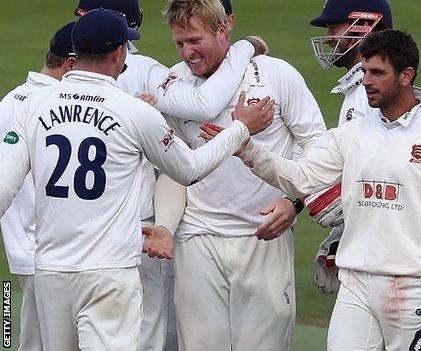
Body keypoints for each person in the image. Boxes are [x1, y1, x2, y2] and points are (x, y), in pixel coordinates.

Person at [0, 9, 273, 350]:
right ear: (118, 53)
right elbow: (188, 169)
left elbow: (3, 188)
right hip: (110, 272)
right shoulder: (134, 111)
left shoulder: (33, 106)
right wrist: (240, 129)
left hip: (51, 271)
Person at [220, 28, 421, 350]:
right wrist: (247, 148)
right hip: (355, 283)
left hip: (416, 285)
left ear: (406, 75)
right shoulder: (352, 133)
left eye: (377, 73)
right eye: (364, 71)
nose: (366, 81)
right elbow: (301, 177)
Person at [152, 0, 327, 350]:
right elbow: (173, 168)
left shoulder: (277, 74)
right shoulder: (175, 84)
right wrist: (166, 228)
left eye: (195, 40)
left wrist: (294, 203)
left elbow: (317, 146)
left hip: (263, 237)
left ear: (225, 27)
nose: (187, 53)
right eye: (179, 43)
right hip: (199, 239)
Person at [0, 21, 76, 351]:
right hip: (50, 250)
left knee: (31, 342)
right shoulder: (53, 105)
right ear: (72, 63)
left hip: (24, 247)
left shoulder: (10, 99)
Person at [307, 0, 392, 294]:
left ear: (364, 27)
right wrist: (342, 234)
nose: (329, 37)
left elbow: (385, 171)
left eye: (334, 27)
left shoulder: (374, 95)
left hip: (385, 259)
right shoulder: (357, 91)